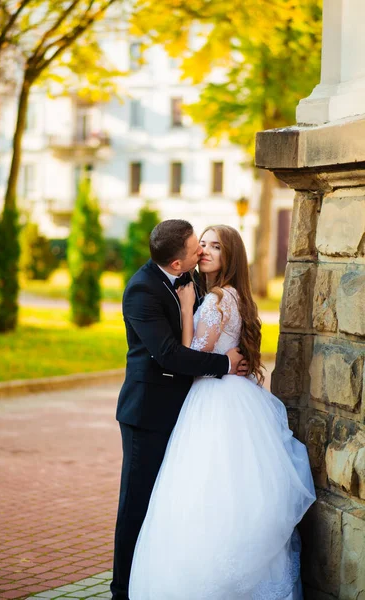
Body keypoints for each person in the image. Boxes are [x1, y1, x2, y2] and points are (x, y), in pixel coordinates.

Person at [129, 225, 316, 600]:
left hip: (213, 398)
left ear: (230, 256)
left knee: (204, 490)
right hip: (234, 397)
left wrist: (185, 311)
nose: (206, 251)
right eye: (203, 243)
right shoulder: (236, 296)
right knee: (230, 490)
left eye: (216, 246)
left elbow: (193, 358)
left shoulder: (214, 300)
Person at [111, 220, 249, 600]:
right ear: (176, 264)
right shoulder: (141, 290)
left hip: (186, 411)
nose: (201, 252)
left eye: (207, 246)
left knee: (171, 501)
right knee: (136, 504)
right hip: (148, 414)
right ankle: (122, 590)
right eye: (195, 248)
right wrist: (225, 365)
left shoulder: (196, 285)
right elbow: (170, 354)